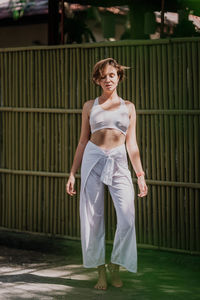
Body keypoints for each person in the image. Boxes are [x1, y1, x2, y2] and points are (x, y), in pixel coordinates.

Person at [66, 58, 148, 290]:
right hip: (93, 158)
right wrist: (72, 173)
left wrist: (140, 174)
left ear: (119, 77)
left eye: (112, 75)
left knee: (126, 216)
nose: (108, 79)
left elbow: (132, 144)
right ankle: (100, 270)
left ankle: (116, 264)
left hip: (119, 159)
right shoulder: (88, 106)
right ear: (97, 80)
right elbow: (82, 140)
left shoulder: (129, 107)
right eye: (103, 76)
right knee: (92, 217)